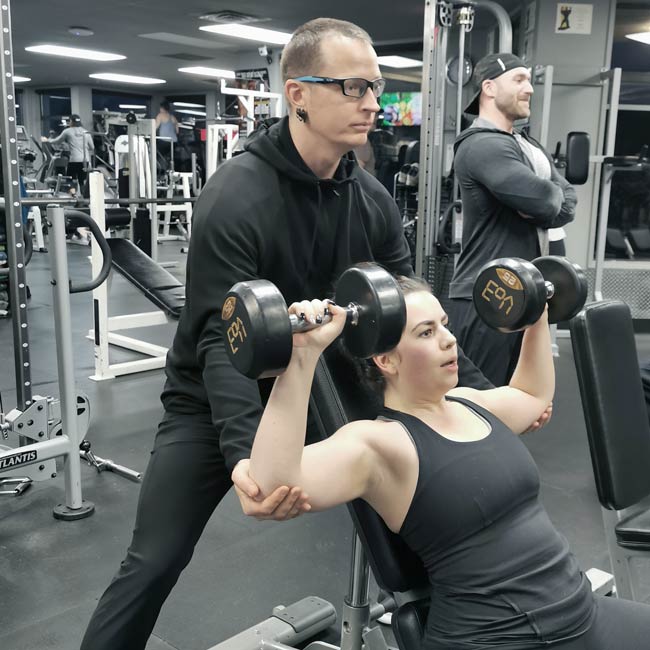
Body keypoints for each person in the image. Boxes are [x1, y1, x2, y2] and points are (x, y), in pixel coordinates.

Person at [80, 18, 503, 650]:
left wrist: (477, 395)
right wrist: (248, 458)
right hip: (219, 396)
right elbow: (221, 343)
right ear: (296, 93)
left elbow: (418, 309)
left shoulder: (372, 198)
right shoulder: (235, 197)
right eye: (353, 87)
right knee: (155, 559)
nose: (371, 104)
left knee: (430, 523)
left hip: (333, 384)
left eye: (376, 88)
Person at [249, 275, 650, 650]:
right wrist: (302, 358)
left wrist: (536, 311)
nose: (449, 340)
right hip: (497, 639)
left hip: (584, 613)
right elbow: (273, 482)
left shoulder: (470, 404)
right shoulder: (379, 444)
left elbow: (532, 396)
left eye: (444, 324)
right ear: (386, 360)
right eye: (426, 332)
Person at [447, 53, 578, 386]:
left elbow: (566, 204)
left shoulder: (526, 144)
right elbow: (548, 201)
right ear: (489, 88)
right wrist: (545, 197)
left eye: (530, 80)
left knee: (520, 398)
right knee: (481, 404)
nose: (529, 88)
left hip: (524, 294)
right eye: (519, 79)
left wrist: (543, 198)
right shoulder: (482, 146)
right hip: (490, 294)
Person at [42, 114, 94, 193]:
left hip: (74, 160)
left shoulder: (68, 131)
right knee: (82, 181)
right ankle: (83, 200)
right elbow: (92, 147)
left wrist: (47, 140)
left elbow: (57, 141)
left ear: (71, 122)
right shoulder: (86, 132)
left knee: (70, 179)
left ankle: (74, 195)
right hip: (85, 160)